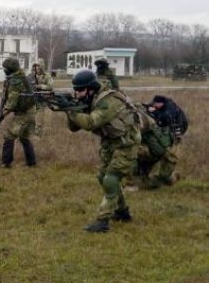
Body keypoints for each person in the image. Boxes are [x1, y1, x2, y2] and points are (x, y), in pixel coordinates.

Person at [66, 70, 139, 233]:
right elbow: (74, 127)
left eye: (80, 91)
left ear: (91, 89)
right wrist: (69, 108)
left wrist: (72, 110)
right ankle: (122, 212)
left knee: (111, 179)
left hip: (127, 143)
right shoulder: (90, 98)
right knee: (102, 176)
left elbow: (91, 122)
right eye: (75, 91)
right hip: (110, 143)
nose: (77, 94)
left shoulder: (108, 100)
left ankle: (102, 221)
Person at [137, 95, 185, 188]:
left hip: (177, 131)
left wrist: (155, 112)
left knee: (165, 176)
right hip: (160, 141)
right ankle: (147, 179)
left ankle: (172, 177)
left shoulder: (170, 107)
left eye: (156, 105)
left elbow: (166, 118)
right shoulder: (159, 105)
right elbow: (147, 105)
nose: (154, 106)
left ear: (161, 103)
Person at [0, 58, 37, 168]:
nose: (4, 70)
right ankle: (31, 163)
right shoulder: (20, 77)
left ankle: (6, 163)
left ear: (9, 69)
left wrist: (3, 114)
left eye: (5, 69)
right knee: (24, 137)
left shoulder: (15, 81)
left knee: (9, 135)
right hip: (30, 111)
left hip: (25, 113)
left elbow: (12, 102)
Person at [29, 58, 54, 136]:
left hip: (41, 99)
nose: (37, 68)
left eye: (39, 66)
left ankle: (38, 134)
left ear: (42, 67)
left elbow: (50, 86)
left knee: (39, 118)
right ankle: (30, 132)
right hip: (31, 99)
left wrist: (40, 86)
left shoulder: (47, 76)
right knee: (30, 116)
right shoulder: (32, 76)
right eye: (36, 66)